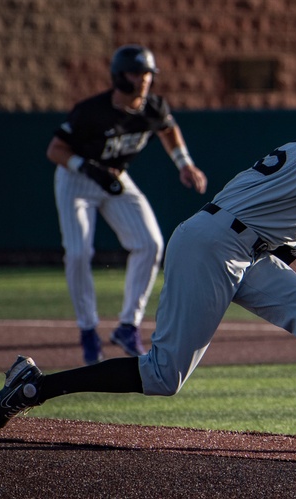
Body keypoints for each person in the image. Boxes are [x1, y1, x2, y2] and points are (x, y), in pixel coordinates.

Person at [0, 83, 296, 459]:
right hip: (212, 245)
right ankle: (35, 386)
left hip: (243, 246)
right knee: (163, 375)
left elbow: (287, 254)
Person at [46, 45, 208, 365]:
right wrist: (89, 168)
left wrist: (184, 163)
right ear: (119, 76)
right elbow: (55, 150)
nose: (144, 80)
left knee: (150, 244)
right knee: (78, 253)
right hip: (76, 178)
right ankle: (88, 330)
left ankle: (128, 325)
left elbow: (168, 128)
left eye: (147, 73)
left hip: (115, 177)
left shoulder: (153, 107)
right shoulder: (91, 111)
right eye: (137, 73)